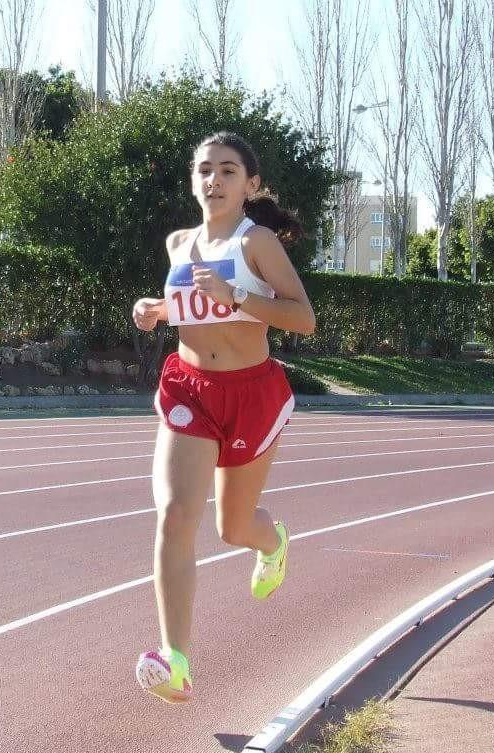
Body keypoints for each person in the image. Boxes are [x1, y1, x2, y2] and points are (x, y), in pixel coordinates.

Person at [131, 131, 316, 703]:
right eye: (205, 170)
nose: (214, 180)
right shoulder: (178, 243)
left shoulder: (255, 241)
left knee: (231, 527)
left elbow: (302, 319)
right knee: (175, 513)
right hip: (191, 388)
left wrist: (236, 296)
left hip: (250, 393)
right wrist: (155, 310)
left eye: (228, 171)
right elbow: (189, 307)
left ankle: (273, 541)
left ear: (250, 185)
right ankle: (175, 658)